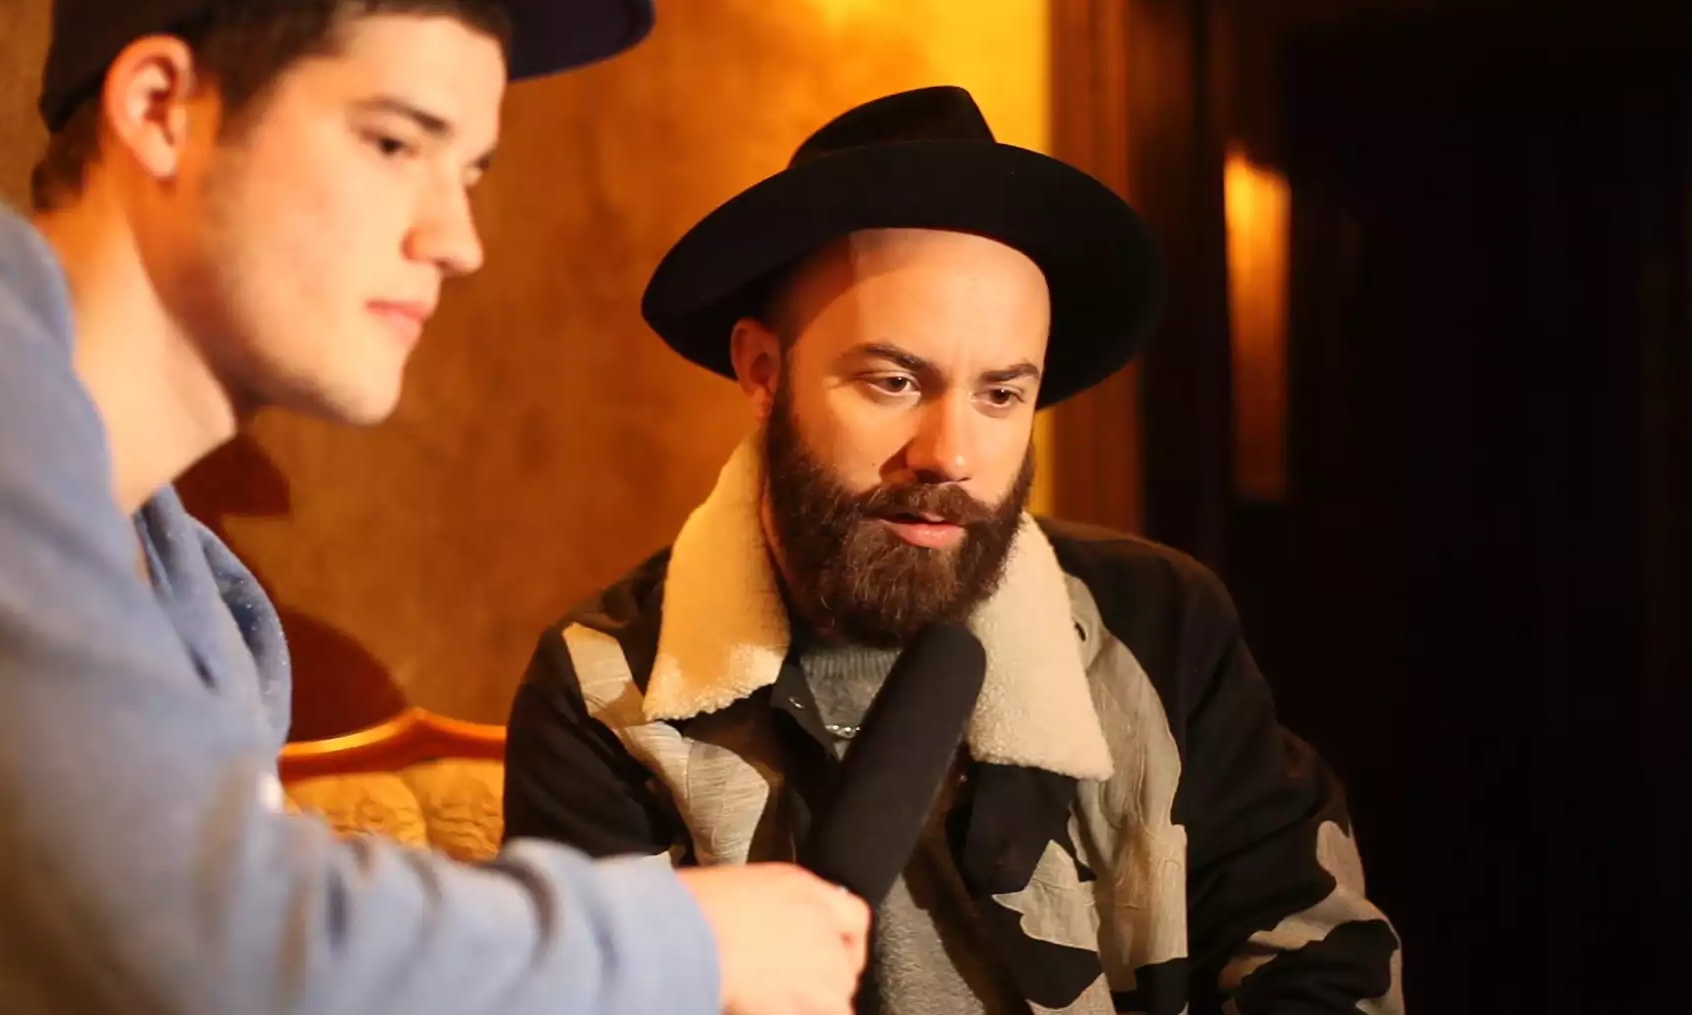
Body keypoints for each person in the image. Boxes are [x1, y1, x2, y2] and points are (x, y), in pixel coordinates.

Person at [0, 0, 869, 1012]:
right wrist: (690, 940)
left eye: (470, 171)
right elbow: (212, 957)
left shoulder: (195, 596)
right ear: (160, 107)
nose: (459, 239)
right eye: (393, 143)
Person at [501, 85, 1405, 1015]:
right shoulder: (607, 687)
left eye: (1001, 395)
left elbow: (1318, 965)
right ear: (764, 373)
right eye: (895, 381)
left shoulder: (1158, 624)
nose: (951, 455)